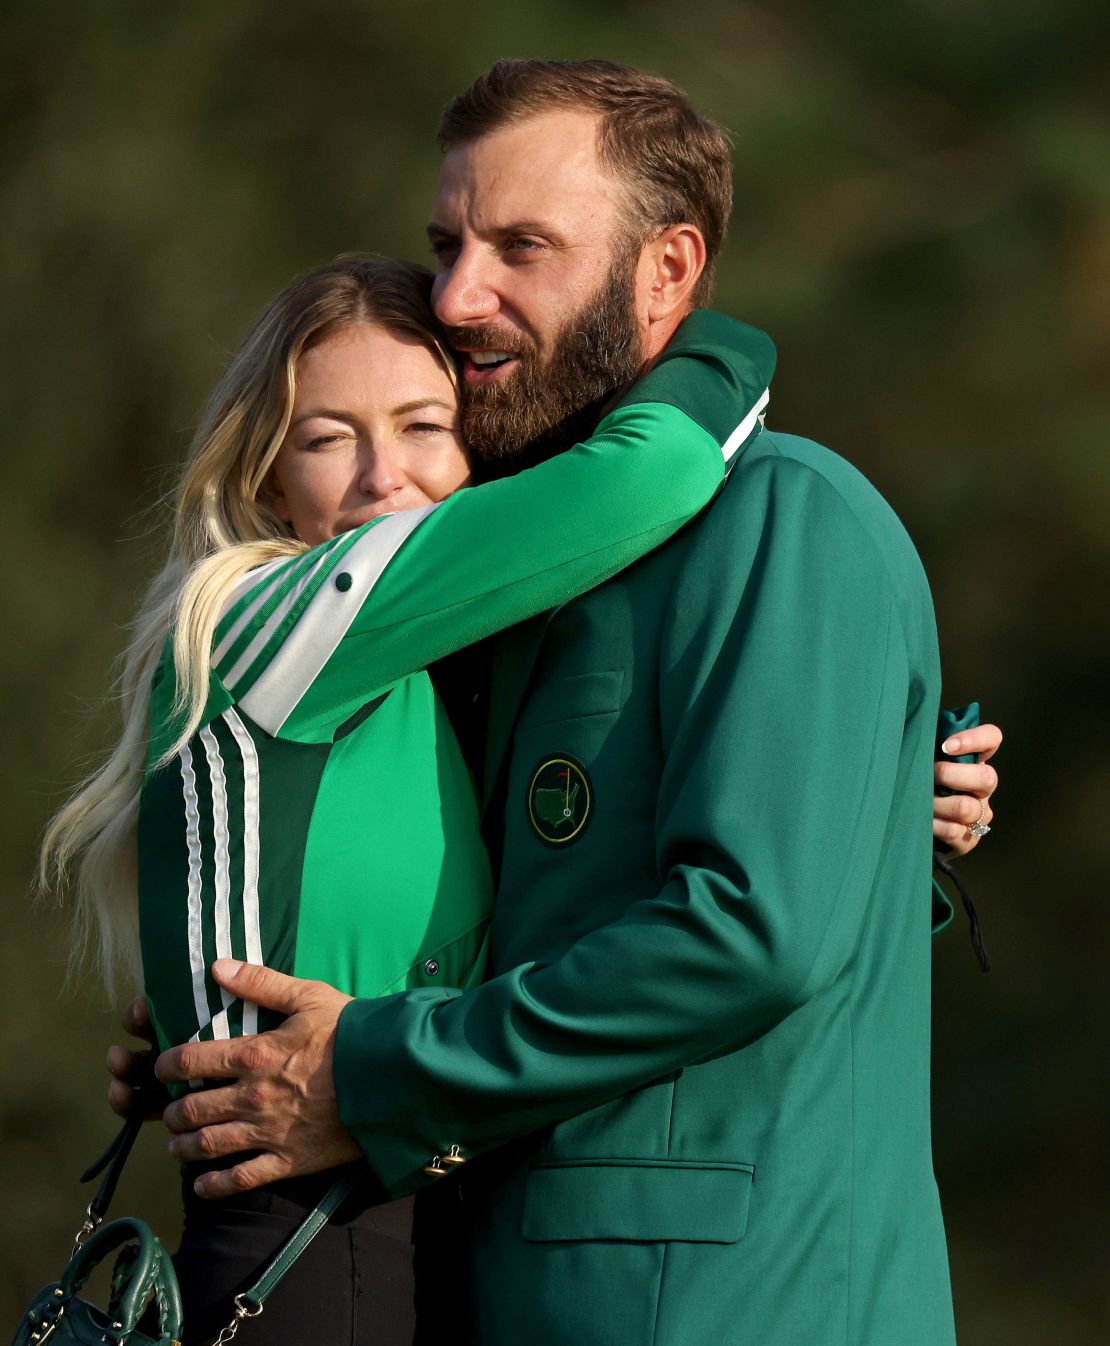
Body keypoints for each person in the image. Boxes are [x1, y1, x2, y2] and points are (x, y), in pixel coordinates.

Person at [109, 63, 1002, 1346]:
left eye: (522, 246)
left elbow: (754, 930)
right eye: (447, 244)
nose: (460, 297)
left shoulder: (786, 518)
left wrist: (368, 1067)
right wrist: (210, 1029)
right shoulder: (486, 576)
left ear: (668, 271)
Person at [41, 252, 780, 1344]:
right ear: (264, 480)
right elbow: (655, 470)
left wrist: (902, 786)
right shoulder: (268, 617)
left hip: (436, 1229)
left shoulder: (433, 685)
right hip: (303, 1253)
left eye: (425, 425)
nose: (382, 476)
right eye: (327, 437)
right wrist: (719, 338)